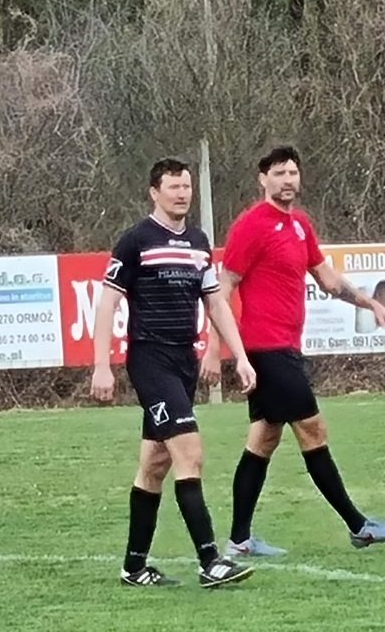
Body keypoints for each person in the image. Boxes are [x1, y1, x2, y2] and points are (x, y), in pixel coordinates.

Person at [201, 145, 385, 557]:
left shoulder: (300, 225)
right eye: (279, 173)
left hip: (287, 348)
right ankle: (359, 526)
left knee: (263, 440)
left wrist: (372, 304)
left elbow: (329, 281)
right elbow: (222, 289)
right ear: (263, 179)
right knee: (313, 429)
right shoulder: (251, 226)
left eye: (293, 172)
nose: (288, 180)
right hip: (266, 348)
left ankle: (240, 540)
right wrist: (213, 347)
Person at [91, 157, 257, 587]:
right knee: (190, 453)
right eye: (173, 187)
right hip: (151, 361)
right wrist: (102, 365)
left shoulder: (199, 242)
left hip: (184, 362)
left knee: (155, 464)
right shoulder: (136, 241)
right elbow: (107, 302)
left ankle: (133, 568)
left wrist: (239, 356)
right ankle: (210, 561)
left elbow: (215, 302)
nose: (182, 194)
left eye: (186, 187)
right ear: (154, 192)